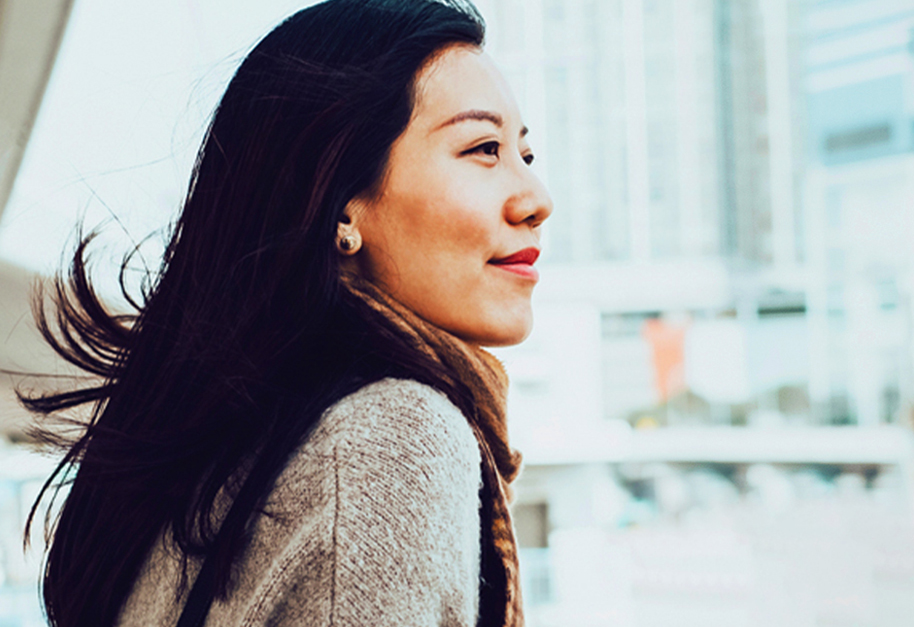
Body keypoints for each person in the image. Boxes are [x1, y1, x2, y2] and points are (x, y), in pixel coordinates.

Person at [20, 0, 552, 626]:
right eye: (484, 149)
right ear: (342, 199)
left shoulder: (242, 445)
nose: (535, 201)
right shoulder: (387, 438)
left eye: (525, 155)